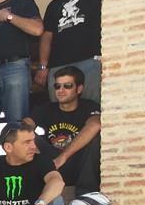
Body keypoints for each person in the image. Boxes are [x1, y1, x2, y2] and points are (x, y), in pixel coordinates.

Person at [38, 0, 102, 103]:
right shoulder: (55, 4)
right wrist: (43, 67)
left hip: (91, 62)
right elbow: (47, 36)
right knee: (59, 113)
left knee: (92, 109)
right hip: (59, 66)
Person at [27, 65, 101, 193]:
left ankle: (85, 193)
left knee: (96, 137)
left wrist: (64, 156)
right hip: (53, 164)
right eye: (57, 86)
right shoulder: (47, 108)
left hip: (80, 165)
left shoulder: (89, 106)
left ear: (79, 89)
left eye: (67, 86)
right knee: (21, 132)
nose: (61, 90)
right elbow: (25, 124)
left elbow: (95, 124)